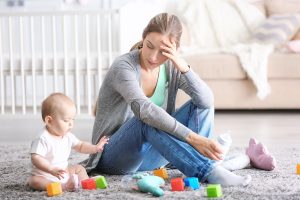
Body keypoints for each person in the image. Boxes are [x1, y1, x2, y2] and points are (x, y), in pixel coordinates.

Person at [84, 13, 251, 186]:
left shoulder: (171, 67)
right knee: (146, 119)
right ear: (143, 38)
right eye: (149, 46)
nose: (153, 57)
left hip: (150, 160)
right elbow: (145, 111)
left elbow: (206, 100)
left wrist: (183, 66)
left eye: (163, 52)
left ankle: (200, 162)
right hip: (113, 158)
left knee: (201, 105)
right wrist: (194, 139)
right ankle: (208, 171)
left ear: (174, 51)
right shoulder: (123, 66)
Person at [27, 93, 109, 191]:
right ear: (49, 121)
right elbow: (36, 158)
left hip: (63, 172)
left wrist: (95, 148)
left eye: (72, 120)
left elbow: (81, 145)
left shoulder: (67, 136)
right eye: (66, 120)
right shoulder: (42, 138)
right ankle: (63, 187)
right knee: (34, 181)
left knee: (79, 168)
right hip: (46, 175)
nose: (71, 124)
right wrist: (50, 169)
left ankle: (86, 183)